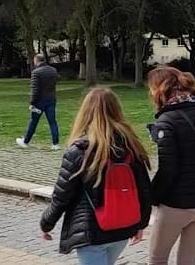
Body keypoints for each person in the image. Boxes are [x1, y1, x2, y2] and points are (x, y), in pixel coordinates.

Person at [40, 88, 151, 265]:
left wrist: (47, 223)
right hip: (122, 228)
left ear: (85, 112)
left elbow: (62, 195)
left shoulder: (79, 151)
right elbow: (144, 190)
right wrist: (141, 224)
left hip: (92, 230)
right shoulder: (132, 146)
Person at [147, 66, 195, 265]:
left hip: (175, 205)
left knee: (157, 259)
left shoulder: (167, 121)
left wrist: (152, 196)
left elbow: (168, 169)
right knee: (188, 261)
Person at [18, 54, 60, 149]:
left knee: (33, 121)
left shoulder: (36, 72)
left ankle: (26, 141)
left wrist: (32, 102)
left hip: (39, 101)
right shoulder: (53, 70)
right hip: (51, 99)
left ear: (36, 61)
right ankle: (55, 143)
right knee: (52, 122)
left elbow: (35, 89)